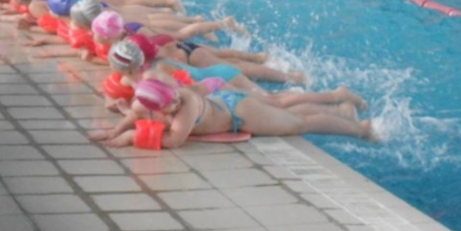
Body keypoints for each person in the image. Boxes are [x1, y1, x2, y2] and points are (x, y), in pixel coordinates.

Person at [92, 77, 376, 149]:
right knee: (285, 110)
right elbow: (133, 115)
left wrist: (132, 137)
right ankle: (341, 106)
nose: (176, 104)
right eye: (170, 105)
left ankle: (362, 129)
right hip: (226, 103)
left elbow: (174, 141)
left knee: (299, 124)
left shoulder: (186, 104)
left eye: (175, 98)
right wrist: (115, 131)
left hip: (238, 111)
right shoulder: (143, 104)